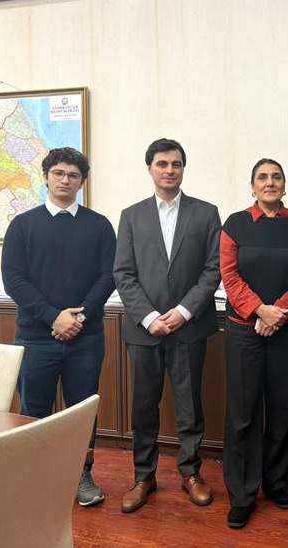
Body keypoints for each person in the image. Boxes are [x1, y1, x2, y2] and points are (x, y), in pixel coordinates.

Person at [2, 147, 116, 507]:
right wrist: (53, 317)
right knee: (33, 410)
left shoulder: (99, 225)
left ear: (82, 182)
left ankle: (81, 474)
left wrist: (78, 318)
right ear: (46, 177)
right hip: (36, 338)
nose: (65, 180)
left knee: (82, 411)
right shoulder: (23, 225)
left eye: (73, 175)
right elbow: (13, 279)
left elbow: (108, 276)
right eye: (59, 173)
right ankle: (35, 476)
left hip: (86, 337)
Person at [114, 138, 221, 513]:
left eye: (176, 164)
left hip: (188, 327)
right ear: (150, 169)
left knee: (190, 405)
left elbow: (212, 270)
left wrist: (183, 311)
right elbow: (123, 273)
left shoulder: (206, 213)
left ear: (183, 169)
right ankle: (144, 476)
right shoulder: (131, 215)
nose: (169, 170)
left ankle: (191, 472)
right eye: (162, 164)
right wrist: (149, 317)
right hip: (144, 330)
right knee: (144, 406)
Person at [219, 158, 288, 528]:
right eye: (262, 177)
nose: (270, 183)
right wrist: (259, 311)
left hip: (285, 331)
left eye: (276, 177)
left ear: (284, 184)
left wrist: (278, 314)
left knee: (282, 410)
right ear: (252, 186)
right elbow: (229, 275)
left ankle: (276, 483)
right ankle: (242, 494)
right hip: (243, 331)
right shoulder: (235, 224)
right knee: (243, 414)